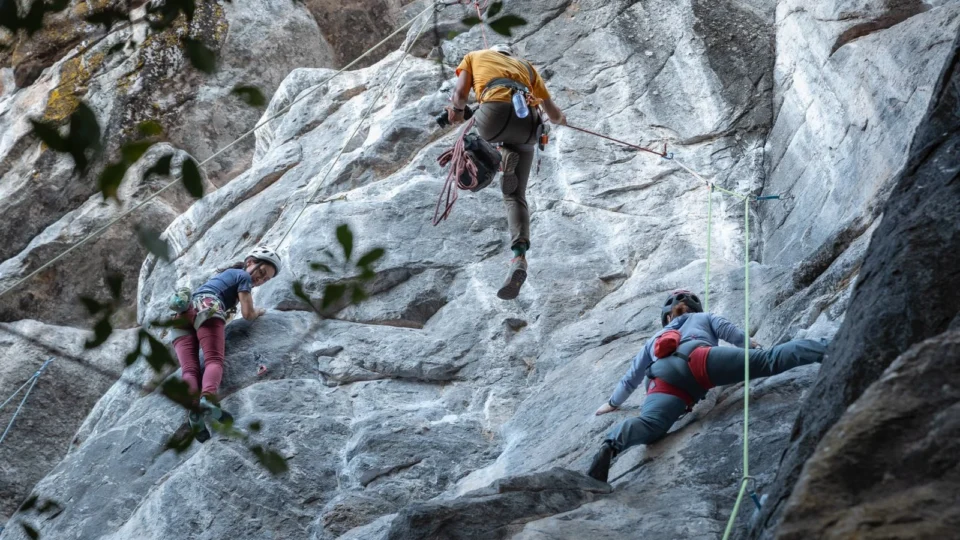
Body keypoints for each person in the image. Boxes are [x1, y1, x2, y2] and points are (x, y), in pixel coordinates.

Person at [586, 289, 826, 482]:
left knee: (651, 426)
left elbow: (632, 377)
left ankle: (612, 444)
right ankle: (828, 346)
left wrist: (612, 403)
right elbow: (733, 335)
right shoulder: (704, 317)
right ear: (693, 309)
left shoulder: (653, 340)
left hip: (662, 381)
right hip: (700, 360)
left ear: (667, 317)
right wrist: (752, 346)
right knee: (771, 360)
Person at [448, 43, 567, 300]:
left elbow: (459, 96)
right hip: (529, 125)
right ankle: (518, 258)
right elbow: (554, 114)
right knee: (515, 195)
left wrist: (457, 113)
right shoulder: (527, 68)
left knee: (466, 136)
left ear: (493, 52)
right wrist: (561, 120)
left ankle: (499, 157)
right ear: (510, 55)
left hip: (493, 114)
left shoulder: (474, 56)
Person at [170, 246, 281, 439]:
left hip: (182, 316)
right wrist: (259, 312)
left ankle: (194, 412)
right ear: (250, 263)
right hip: (208, 309)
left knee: (189, 370)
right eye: (261, 273)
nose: (260, 280)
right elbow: (248, 314)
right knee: (213, 360)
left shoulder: (224, 277)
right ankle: (208, 398)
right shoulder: (243, 277)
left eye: (266, 279)